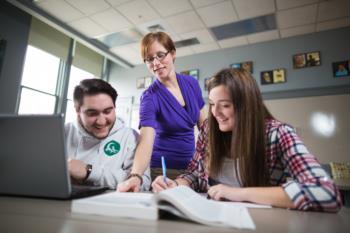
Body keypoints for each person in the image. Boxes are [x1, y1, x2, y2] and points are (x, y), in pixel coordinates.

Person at [152, 68, 342, 212]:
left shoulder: (278, 133)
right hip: (214, 217)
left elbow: (325, 192)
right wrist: (175, 185)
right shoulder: (209, 130)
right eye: (211, 104)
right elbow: (194, 174)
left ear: (246, 106)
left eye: (225, 105)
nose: (215, 113)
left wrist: (237, 193)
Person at [117, 32, 206, 192]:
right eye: (149, 59)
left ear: (172, 54)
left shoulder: (191, 83)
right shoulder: (149, 97)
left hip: (192, 169)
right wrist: (136, 176)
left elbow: (206, 129)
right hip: (163, 171)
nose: (156, 63)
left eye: (160, 55)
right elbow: (146, 141)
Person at [65, 78, 150, 190]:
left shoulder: (130, 137)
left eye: (107, 111)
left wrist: (89, 172)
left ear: (114, 108)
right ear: (77, 111)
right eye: (92, 113)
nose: (101, 121)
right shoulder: (63, 132)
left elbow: (143, 183)